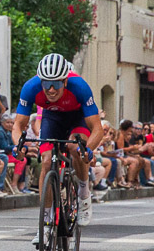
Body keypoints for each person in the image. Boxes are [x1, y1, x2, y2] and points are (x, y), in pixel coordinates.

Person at [12, 53, 105, 233]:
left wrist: (89, 150)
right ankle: (46, 222)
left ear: (65, 81)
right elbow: (18, 124)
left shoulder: (80, 87)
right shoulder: (30, 88)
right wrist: (19, 146)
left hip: (77, 116)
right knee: (46, 161)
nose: (51, 89)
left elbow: (97, 128)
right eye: (46, 84)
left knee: (74, 148)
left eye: (56, 84)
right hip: (52, 116)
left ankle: (84, 193)